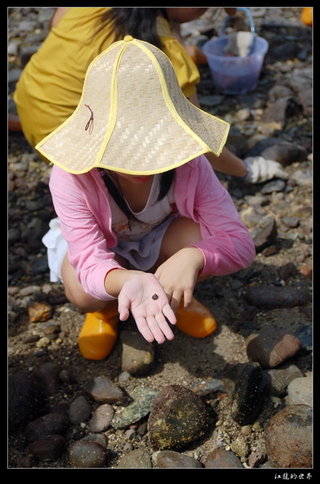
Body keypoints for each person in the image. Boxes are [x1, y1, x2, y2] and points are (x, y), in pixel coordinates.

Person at [36, 35, 256, 360]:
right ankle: (107, 311)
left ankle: (172, 294)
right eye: (124, 150)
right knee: (84, 292)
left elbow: (239, 243)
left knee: (202, 240)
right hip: (107, 248)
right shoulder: (72, 175)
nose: (139, 164)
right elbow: (90, 260)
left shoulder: (189, 164)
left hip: (159, 234)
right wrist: (125, 281)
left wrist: (194, 257)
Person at [13, 7, 287, 183]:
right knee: (169, 157)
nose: (204, 12)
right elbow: (197, 134)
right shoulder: (162, 47)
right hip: (71, 148)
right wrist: (246, 171)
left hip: (30, 101)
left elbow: (56, 23)